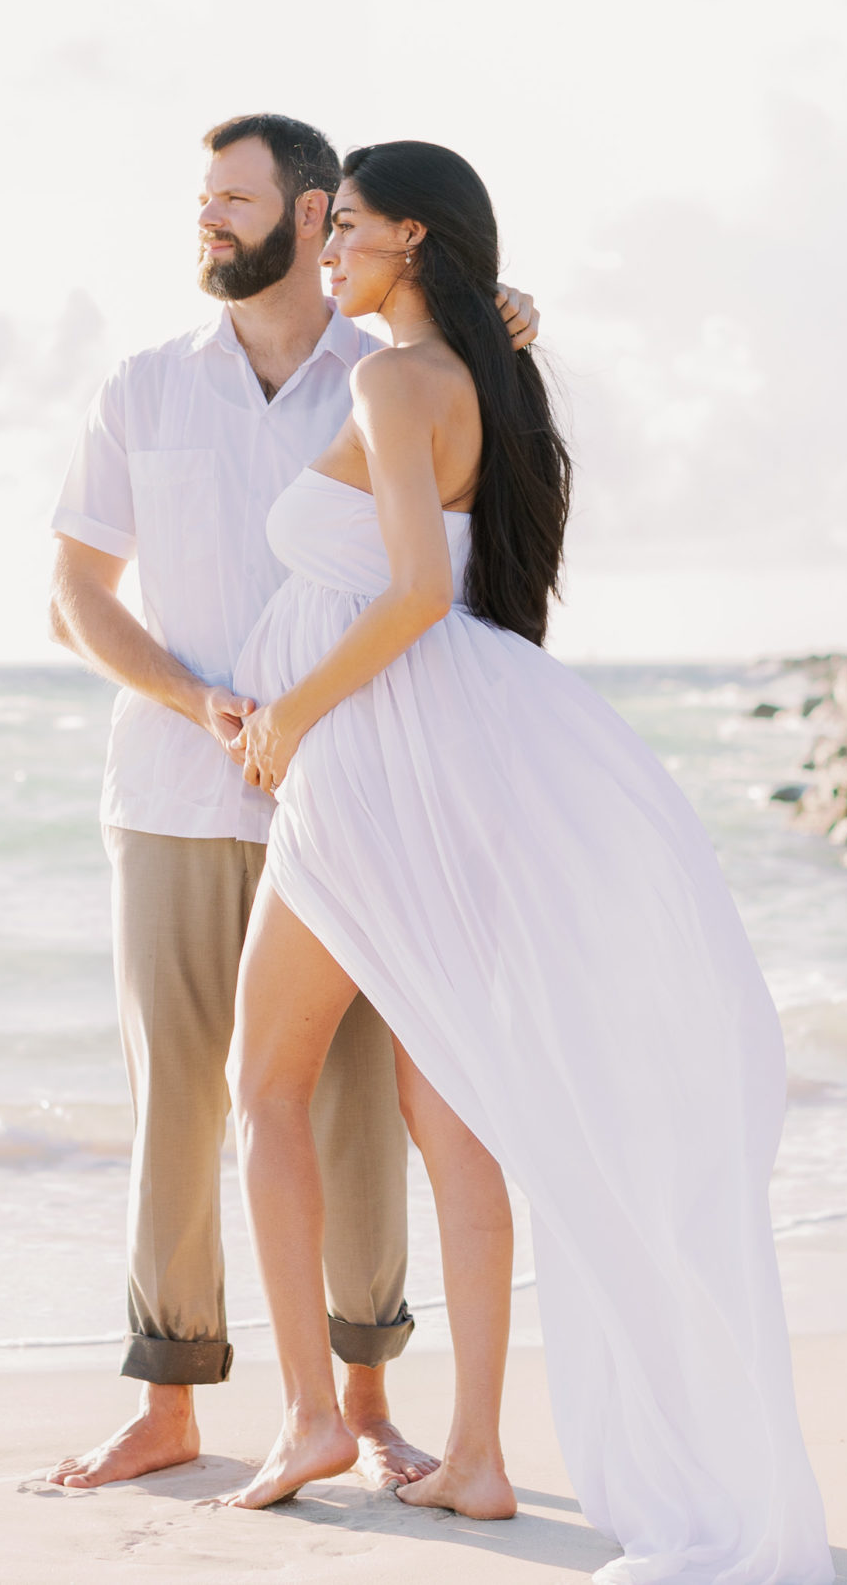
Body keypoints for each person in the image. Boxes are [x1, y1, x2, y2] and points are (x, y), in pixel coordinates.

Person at [216, 140, 834, 1585]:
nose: (327, 255)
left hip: (367, 762)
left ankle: (314, 1416)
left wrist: (294, 717)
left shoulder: (391, 381)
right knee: (465, 1103)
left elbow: (419, 593)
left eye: (347, 231)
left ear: (408, 240)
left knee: (265, 1083)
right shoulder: (487, 383)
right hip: (443, 762)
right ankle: (479, 1452)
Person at [43, 114, 540, 1490]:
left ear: (319, 214)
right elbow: (75, 596)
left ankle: (364, 1401)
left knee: (357, 1102)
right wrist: (196, 697)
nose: (208, 221)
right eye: (202, 200)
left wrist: (510, 329)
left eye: (235, 200)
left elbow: (444, 536)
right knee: (184, 1104)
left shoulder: (387, 370)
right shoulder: (143, 386)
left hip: (352, 788)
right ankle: (170, 1400)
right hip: (174, 793)